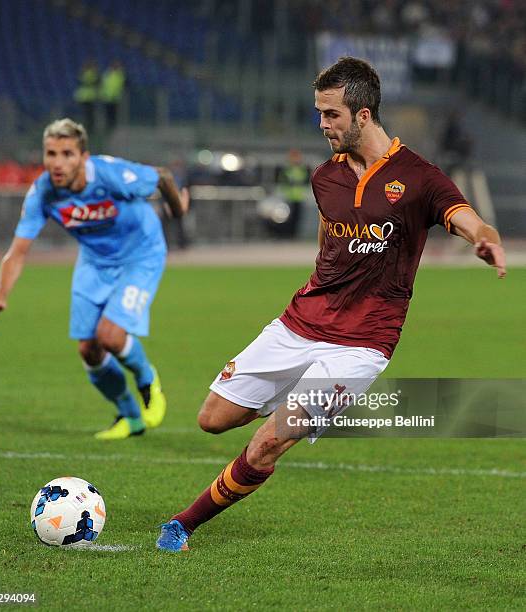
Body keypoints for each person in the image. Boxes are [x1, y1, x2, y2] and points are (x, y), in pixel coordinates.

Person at [156, 57, 506, 552]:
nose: (322, 124)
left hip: (362, 344)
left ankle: (182, 525)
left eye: (331, 115)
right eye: (319, 113)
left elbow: (469, 218)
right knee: (212, 419)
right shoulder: (326, 178)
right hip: (300, 324)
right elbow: (329, 245)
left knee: (270, 441)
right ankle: (298, 397)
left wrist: (484, 240)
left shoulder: (420, 178)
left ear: (363, 115)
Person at [0, 118, 189, 440]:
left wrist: (177, 212)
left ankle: (147, 381)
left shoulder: (110, 174)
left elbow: (163, 176)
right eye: (51, 154)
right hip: (94, 263)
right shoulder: (43, 193)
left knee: (111, 336)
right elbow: (17, 252)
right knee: (88, 350)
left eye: (67, 153)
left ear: (84, 157)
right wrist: (0, 296)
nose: (58, 163)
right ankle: (130, 417)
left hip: (140, 255)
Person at [275, 148, 309, 238]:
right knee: (286, 218)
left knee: (297, 218)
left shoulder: (302, 169)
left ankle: (293, 235)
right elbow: (282, 181)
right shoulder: (287, 169)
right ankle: (285, 235)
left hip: (299, 197)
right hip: (288, 198)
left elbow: (305, 181)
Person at [74, 60, 100, 134]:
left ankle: (87, 129)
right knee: (89, 116)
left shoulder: (83, 73)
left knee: (88, 116)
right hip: (88, 97)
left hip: (86, 97)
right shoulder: (92, 74)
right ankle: (88, 129)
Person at [100, 60, 126, 132]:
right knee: (108, 114)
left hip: (115, 97)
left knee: (114, 114)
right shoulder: (107, 74)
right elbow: (103, 84)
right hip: (107, 97)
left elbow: (124, 83)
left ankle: (113, 127)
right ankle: (108, 127)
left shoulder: (120, 74)